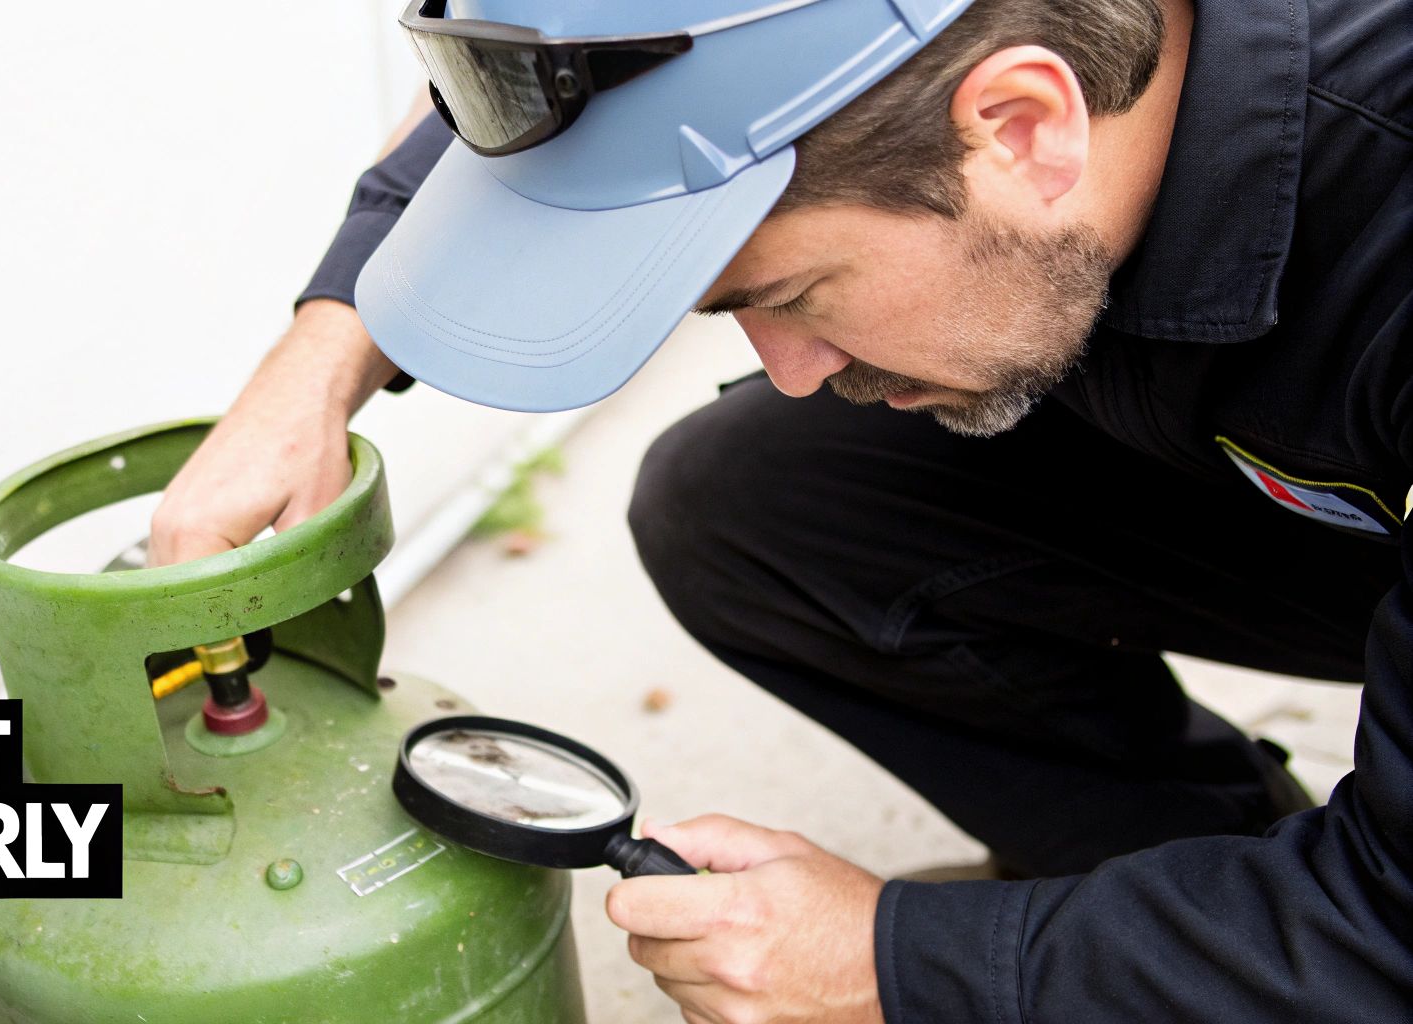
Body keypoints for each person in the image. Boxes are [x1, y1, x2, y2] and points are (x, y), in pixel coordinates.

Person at [152, 0, 1413, 1019]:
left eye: (793, 290)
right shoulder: (989, 121)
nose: (791, 362)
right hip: (1282, 462)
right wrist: (315, 369)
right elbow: (585, 76)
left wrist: (901, 962)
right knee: (746, 496)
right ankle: (1184, 881)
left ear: (1023, 126)